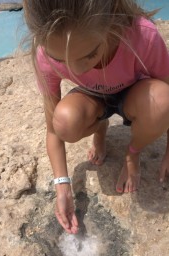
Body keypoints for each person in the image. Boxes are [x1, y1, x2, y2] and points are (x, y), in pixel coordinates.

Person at [23, 0, 169, 234]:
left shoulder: (141, 34)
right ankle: (100, 128)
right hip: (93, 97)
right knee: (64, 122)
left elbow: (167, 91)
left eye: (90, 55)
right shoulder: (45, 54)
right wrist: (62, 187)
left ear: (111, 23)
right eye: (61, 60)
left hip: (134, 93)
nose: (77, 70)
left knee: (162, 100)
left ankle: (133, 154)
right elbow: (52, 130)